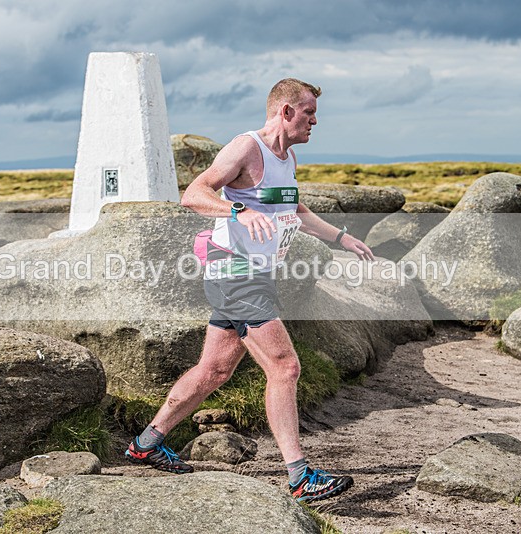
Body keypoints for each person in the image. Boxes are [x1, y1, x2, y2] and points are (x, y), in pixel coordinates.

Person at [125, 78, 375, 503]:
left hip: (255, 274)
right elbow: (194, 193)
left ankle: (145, 444)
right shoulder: (246, 147)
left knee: (214, 371)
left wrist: (340, 237)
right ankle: (299, 477)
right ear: (285, 111)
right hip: (235, 272)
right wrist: (237, 210)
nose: (315, 121)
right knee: (285, 367)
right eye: (309, 113)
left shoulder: (287, 156)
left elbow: (294, 209)